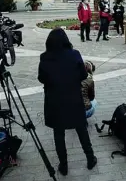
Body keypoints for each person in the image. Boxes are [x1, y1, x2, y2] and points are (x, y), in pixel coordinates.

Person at [38, 29, 97, 176]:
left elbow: (41, 78)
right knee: (81, 129)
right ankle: (90, 158)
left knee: (59, 134)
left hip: (54, 102)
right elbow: (83, 75)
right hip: (73, 100)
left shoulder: (44, 57)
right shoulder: (74, 54)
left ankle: (63, 166)